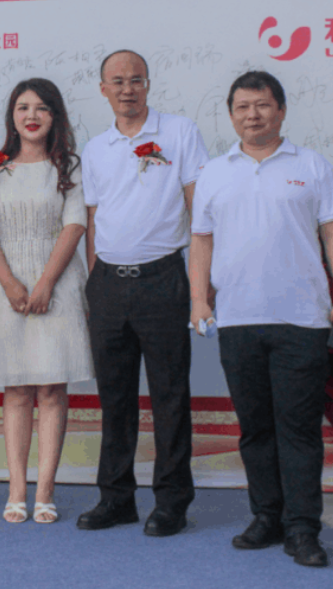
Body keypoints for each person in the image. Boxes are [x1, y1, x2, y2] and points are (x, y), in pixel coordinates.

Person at [188, 70, 333, 568]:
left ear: (281, 110)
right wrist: (199, 300)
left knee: (298, 430)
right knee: (255, 428)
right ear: (230, 115)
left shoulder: (311, 165)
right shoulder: (214, 172)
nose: (253, 115)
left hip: (301, 319)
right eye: (242, 107)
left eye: (262, 105)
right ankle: (266, 516)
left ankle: (303, 528)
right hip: (237, 319)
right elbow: (201, 240)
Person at [78, 50, 208, 536]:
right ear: (103, 89)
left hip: (163, 278)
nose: (127, 89)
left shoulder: (179, 132)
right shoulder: (96, 148)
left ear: (148, 85)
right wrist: (94, 281)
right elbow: (94, 219)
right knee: (114, 398)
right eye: (117, 81)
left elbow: (200, 209)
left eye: (136, 80)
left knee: (169, 396)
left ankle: (172, 501)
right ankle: (116, 498)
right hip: (109, 283)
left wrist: (201, 283)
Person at [0, 78, 93, 525]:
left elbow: (75, 224)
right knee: (18, 389)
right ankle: (17, 491)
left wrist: (45, 283)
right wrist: (10, 284)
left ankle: (45, 492)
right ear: (12, 117)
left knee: (53, 388)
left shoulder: (69, 167)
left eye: (41, 108)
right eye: (23, 107)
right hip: (7, 287)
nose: (31, 115)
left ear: (55, 116)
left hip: (57, 283)